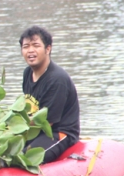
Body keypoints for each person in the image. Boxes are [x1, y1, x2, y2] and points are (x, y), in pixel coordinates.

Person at [20, 25, 80, 164]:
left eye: (36, 45)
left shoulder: (57, 79)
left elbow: (46, 122)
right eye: (26, 46)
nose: (30, 50)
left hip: (57, 132)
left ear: (48, 48)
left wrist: (14, 124)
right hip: (35, 129)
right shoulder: (27, 73)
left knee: (23, 158)